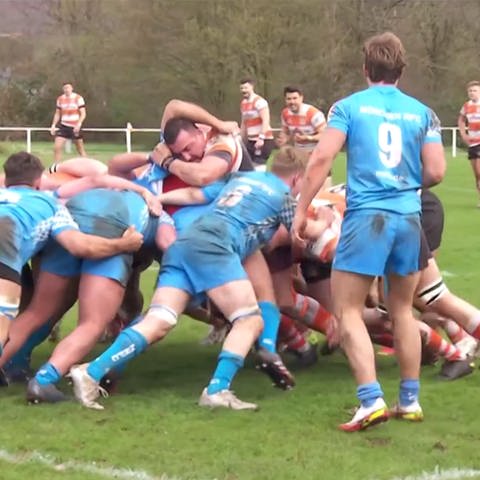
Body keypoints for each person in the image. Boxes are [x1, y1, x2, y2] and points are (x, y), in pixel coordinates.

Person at [69, 165, 325, 411]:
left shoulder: (238, 178)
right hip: (216, 244)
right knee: (249, 319)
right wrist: (325, 218)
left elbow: (194, 194)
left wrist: (156, 196)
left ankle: (91, 372)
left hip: (185, 242)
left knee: (160, 320)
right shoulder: (283, 198)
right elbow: (305, 231)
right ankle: (217, 390)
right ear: (296, 179)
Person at [292, 32, 446, 432]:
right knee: (401, 310)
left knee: (346, 311)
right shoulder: (423, 113)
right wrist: (406, 184)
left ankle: (370, 400)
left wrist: (302, 208)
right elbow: (436, 171)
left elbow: (322, 157)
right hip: (409, 219)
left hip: (367, 218)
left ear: (365, 69)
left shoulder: (348, 107)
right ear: (401, 69)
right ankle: (409, 401)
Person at [0, 152, 144, 363]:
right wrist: (123, 244)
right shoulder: (50, 204)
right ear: (39, 181)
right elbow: (79, 246)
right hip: (5, 251)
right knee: (3, 325)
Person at [239, 78, 275, 167]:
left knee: (260, 167)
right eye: (242, 88)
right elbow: (244, 123)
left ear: (252, 87)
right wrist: (241, 139)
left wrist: (261, 138)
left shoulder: (259, 101)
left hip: (263, 140)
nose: (244, 90)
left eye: (246, 88)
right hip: (251, 141)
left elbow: (266, 120)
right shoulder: (243, 103)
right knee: (249, 167)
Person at [50, 82, 87, 162]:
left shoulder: (78, 98)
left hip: (75, 126)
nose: (66, 90)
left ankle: (88, 167)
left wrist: (79, 124)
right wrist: (53, 125)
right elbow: (57, 113)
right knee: (57, 147)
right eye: (65, 88)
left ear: (72, 88)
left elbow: (83, 113)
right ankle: (56, 168)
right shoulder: (60, 99)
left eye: (68, 88)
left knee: (80, 149)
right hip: (64, 126)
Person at [458, 80, 480, 207]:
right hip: (472, 142)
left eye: (475, 90)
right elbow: (461, 119)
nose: (472, 93)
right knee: (476, 174)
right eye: (470, 91)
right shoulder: (466, 106)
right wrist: (463, 134)